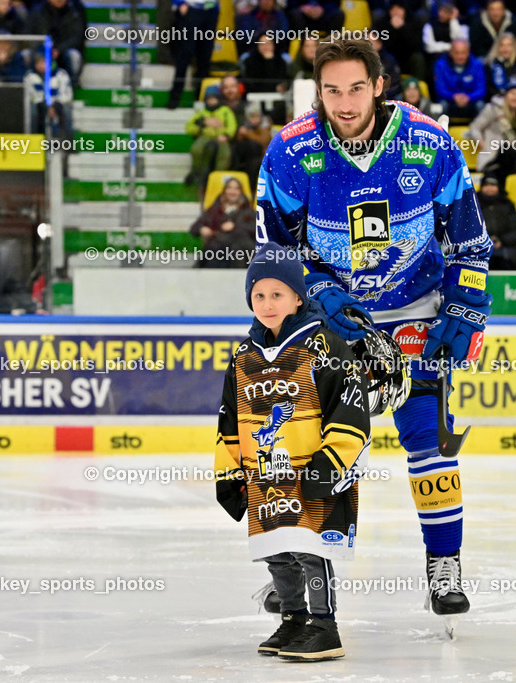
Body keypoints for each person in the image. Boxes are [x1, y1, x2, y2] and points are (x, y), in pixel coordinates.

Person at [256, 37, 492, 621]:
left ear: (378, 85)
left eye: (355, 87)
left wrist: (465, 308)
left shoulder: (429, 143)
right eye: (331, 89)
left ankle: (445, 565)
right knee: (324, 445)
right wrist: (316, 291)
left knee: (425, 435)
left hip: (416, 306)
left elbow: (468, 238)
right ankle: (306, 568)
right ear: (318, 91)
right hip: (333, 319)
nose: (344, 101)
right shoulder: (289, 152)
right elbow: (272, 249)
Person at [214, 243, 370, 661]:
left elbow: (350, 410)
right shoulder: (244, 355)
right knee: (277, 552)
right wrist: (228, 471)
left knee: (309, 548)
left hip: (313, 471)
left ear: (299, 297)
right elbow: (230, 420)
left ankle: (325, 625)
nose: (266, 304)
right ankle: (293, 619)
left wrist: (332, 462)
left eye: (277, 294)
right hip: (265, 474)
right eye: (259, 295)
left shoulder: (326, 346)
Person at [468, 82, 516, 180]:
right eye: (513, 93)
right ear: (506, 95)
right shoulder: (492, 109)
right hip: (496, 156)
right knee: (508, 150)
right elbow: (474, 128)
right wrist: (482, 143)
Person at [189, 177, 256, 267]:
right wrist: (202, 229)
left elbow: (256, 230)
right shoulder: (215, 210)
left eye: (236, 188)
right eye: (229, 188)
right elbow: (195, 227)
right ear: (225, 191)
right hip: (217, 251)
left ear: (241, 192)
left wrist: (235, 227)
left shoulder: (248, 212)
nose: (232, 191)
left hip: (241, 252)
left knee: (239, 248)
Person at [165, 0, 218, 108]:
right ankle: (175, 95)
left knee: (205, 55)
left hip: (211, 9)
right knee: (185, 54)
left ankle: (202, 96)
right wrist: (179, 3)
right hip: (191, 8)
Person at [185, 85, 238, 187]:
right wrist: (203, 123)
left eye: (214, 98)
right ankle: (195, 170)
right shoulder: (201, 113)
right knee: (196, 150)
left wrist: (226, 135)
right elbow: (189, 127)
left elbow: (232, 125)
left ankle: (218, 177)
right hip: (205, 135)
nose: (212, 101)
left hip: (221, 137)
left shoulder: (225, 111)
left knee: (224, 155)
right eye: (209, 99)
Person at [27, 0, 85, 86]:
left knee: (74, 55)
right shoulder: (37, 10)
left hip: (64, 52)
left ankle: (71, 87)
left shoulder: (75, 10)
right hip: (41, 52)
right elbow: (28, 35)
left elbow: (78, 37)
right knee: (26, 55)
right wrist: (42, 52)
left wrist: (58, 50)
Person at [477, 175, 516, 270]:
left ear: (498, 187)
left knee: (508, 258)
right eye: (486, 185)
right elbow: (469, 229)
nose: (490, 188)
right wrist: (486, 241)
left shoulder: (507, 205)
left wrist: (501, 241)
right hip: (480, 247)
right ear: (481, 187)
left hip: (506, 247)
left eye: (493, 185)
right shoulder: (474, 205)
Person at [433, 39, 487, 122]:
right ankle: (439, 133)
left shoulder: (477, 65)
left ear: (468, 52)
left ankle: (479, 132)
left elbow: (481, 89)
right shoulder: (440, 65)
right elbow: (440, 89)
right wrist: (453, 97)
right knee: (439, 106)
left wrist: (469, 97)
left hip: (471, 101)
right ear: (450, 52)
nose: (460, 56)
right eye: (456, 53)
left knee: (481, 105)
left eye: (463, 53)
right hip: (449, 101)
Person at [24, 49, 74, 138]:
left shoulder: (61, 74)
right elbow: (29, 94)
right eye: (38, 63)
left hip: (57, 103)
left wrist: (54, 106)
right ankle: (34, 140)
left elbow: (66, 93)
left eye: (44, 62)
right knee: (33, 111)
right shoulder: (29, 76)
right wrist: (46, 106)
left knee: (66, 110)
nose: (41, 65)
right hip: (38, 104)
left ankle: (68, 143)